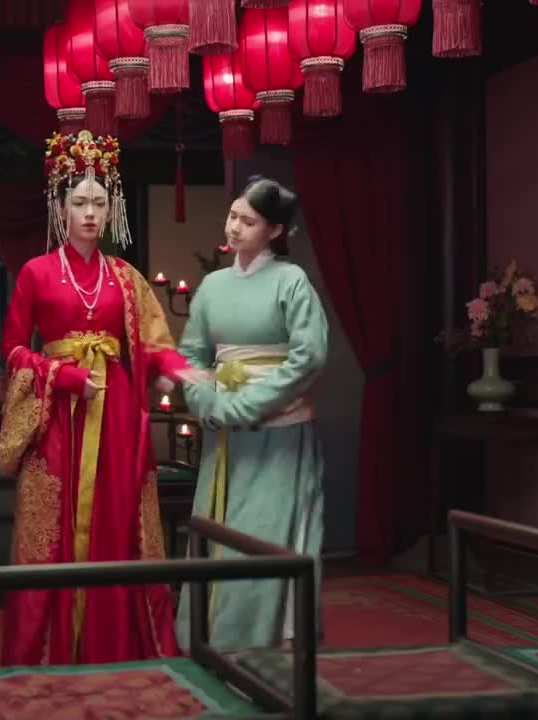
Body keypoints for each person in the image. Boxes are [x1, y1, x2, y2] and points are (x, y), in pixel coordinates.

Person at [0, 130, 187, 665]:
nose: (89, 213)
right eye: (79, 202)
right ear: (60, 208)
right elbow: (12, 349)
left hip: (116, 411)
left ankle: (119, 645)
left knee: (117, 521)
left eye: (99, 203)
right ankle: (43, 653)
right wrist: (61, 375)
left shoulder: (124, 277)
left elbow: (154, 343)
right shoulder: (36, 273)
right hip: (58, 413)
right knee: (50, 532)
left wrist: (179, 372)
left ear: (111, 210)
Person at [174, 175, 329, 651]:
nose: (235, 227)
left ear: (275, 231)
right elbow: (192, 354)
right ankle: (207, 639)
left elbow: (309, 357)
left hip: (279, 432)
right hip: (225, 430)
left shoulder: (291, 280)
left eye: (249, 220)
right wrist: (207, 402)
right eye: (233, 216)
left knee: (264, 532)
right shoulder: (213, 286)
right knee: (217, 526)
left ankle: (262, 641)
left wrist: (245, 405)